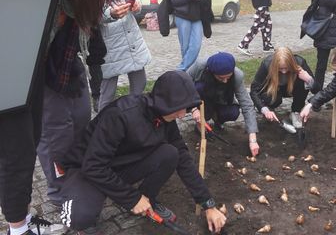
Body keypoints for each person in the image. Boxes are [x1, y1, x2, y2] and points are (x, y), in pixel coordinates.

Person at [0, 0, 125, 234]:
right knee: (16, 152)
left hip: (37, 69)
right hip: (8, 74)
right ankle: (19, 229)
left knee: (32, 141)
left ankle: (25, 220)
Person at [59, 71, 227, 234]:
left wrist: (208, 204)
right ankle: (88, 223)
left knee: (171, 153)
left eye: (186, 109)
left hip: (120, 166)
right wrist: (131, 198)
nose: (183, 115)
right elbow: (93, 166)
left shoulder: (166, 117)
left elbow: (183, 157)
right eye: (179, 109)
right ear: (165, 102)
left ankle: (147, 199)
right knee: (79, 218)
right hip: (88, 170)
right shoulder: (120, 115)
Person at [98, 0, 152, 111]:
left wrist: (135, 2)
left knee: (140, 83)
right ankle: (102, 126)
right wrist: (110, 14)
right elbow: (88, 13)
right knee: (107, 92)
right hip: (109, 41)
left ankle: (134, 116)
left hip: (130, 36)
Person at [187, 52, 260, 156]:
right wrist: (194, 109)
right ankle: (200, 124)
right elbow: (184, 85)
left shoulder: (237, 75)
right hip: (203, 97)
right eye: (221, 78)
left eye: (228, 77)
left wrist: (253, 140)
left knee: (232, 113)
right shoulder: (200, 67)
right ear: (212, 73)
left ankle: (217, 118)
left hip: (222, 98)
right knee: (199, 88)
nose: (225, 81)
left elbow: (246, 104)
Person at [250, 47, 314, 128]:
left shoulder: (300, 62)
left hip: (292, 89)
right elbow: (254, 90)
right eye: (280, 68)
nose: (284, 71)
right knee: (272, 99)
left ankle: (296, 112)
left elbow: (317, 89)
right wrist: (264, 109)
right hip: (274, 90)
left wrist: (309, 79)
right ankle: (270, 108)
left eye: (287, 68)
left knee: (303, 84)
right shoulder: (266, 64)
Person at [168, 0, 212, 71]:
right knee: (185, 46)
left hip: (197, 18)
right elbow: (174, 1)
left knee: (196, 45)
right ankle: (189, 73)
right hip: (182, 18)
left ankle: (181, 69)